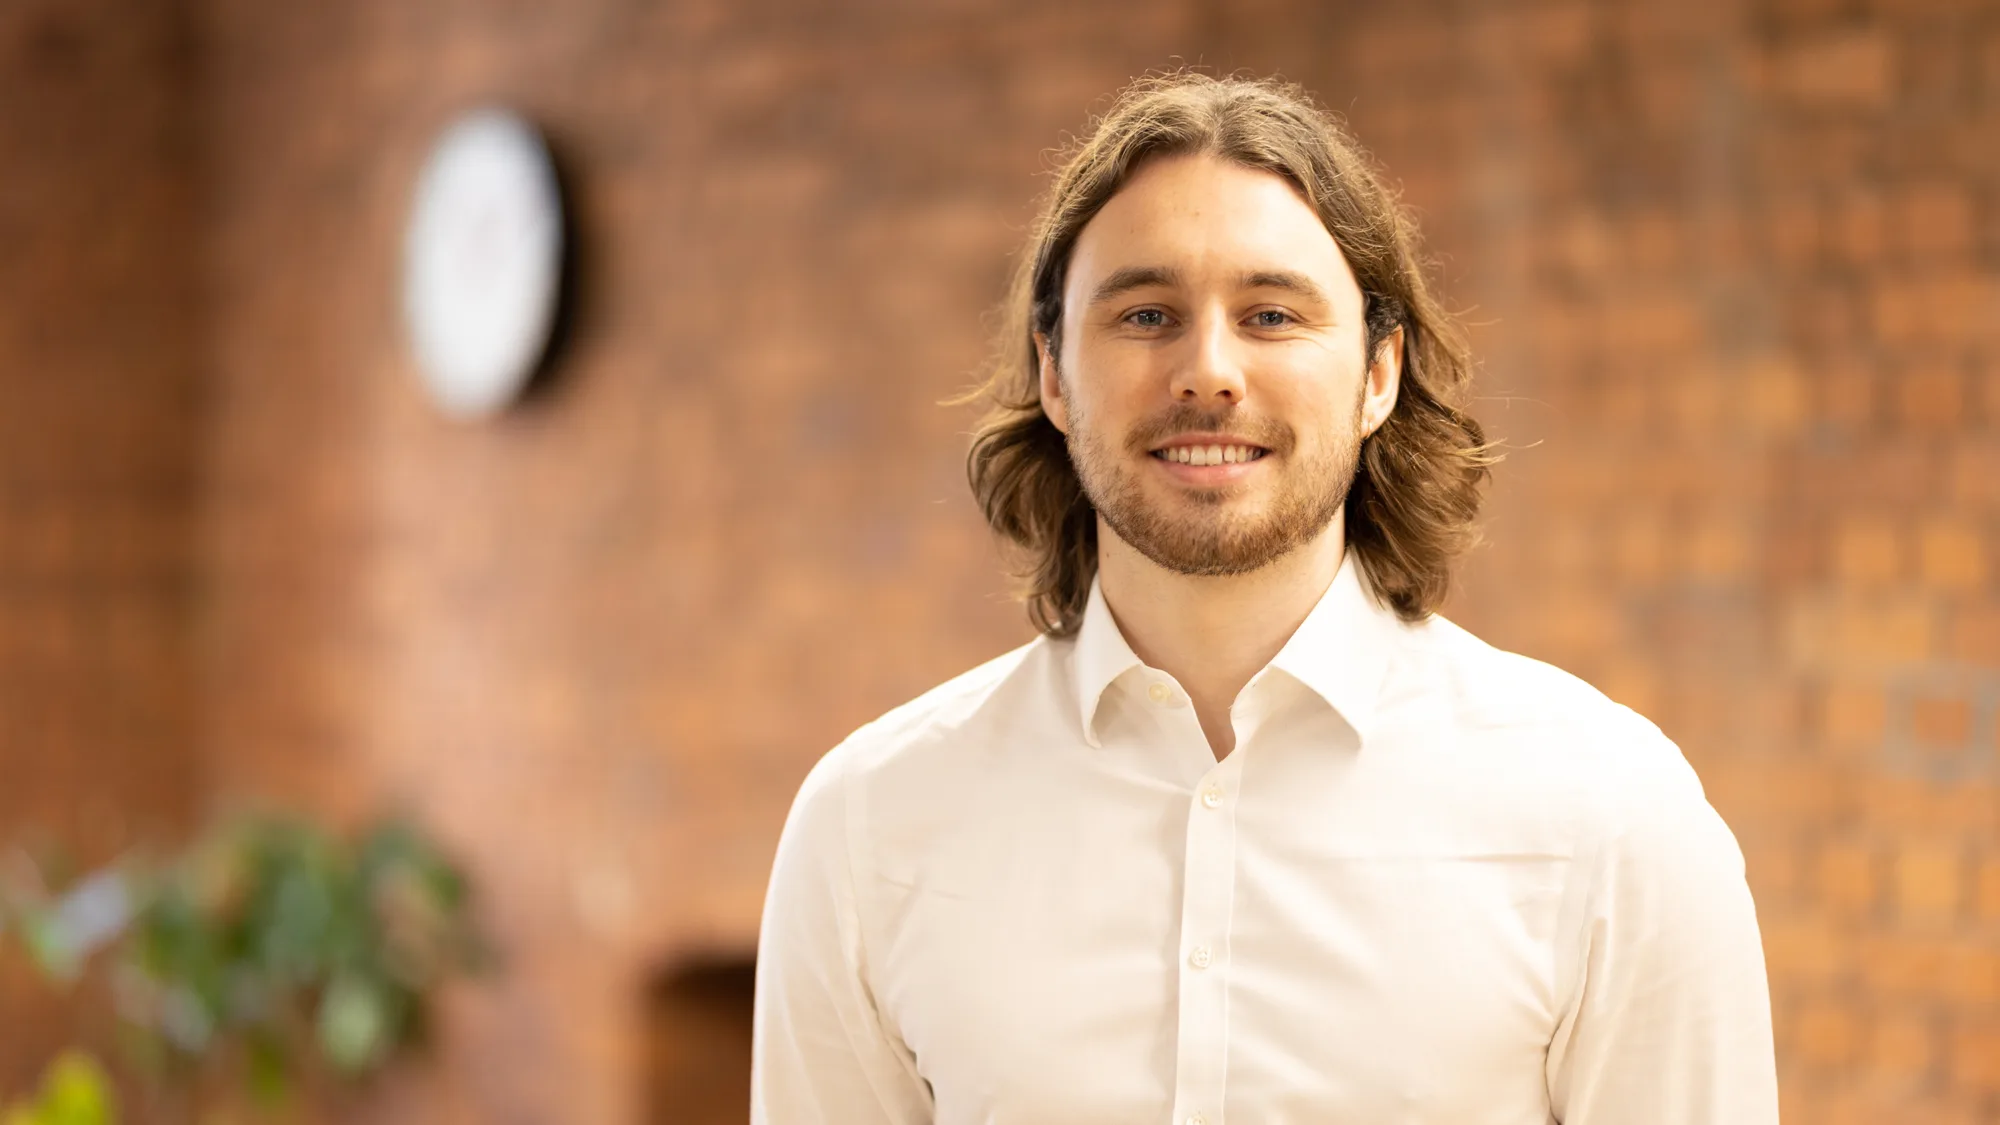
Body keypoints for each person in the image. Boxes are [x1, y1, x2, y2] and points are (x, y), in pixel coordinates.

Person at [750, 71, 1778, 1124]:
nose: (1206, 371)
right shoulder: (868, 826)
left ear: (1378, 373)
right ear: (1052, 374)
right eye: (1145, 313)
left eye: (1271, 314)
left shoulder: (1607, 815)